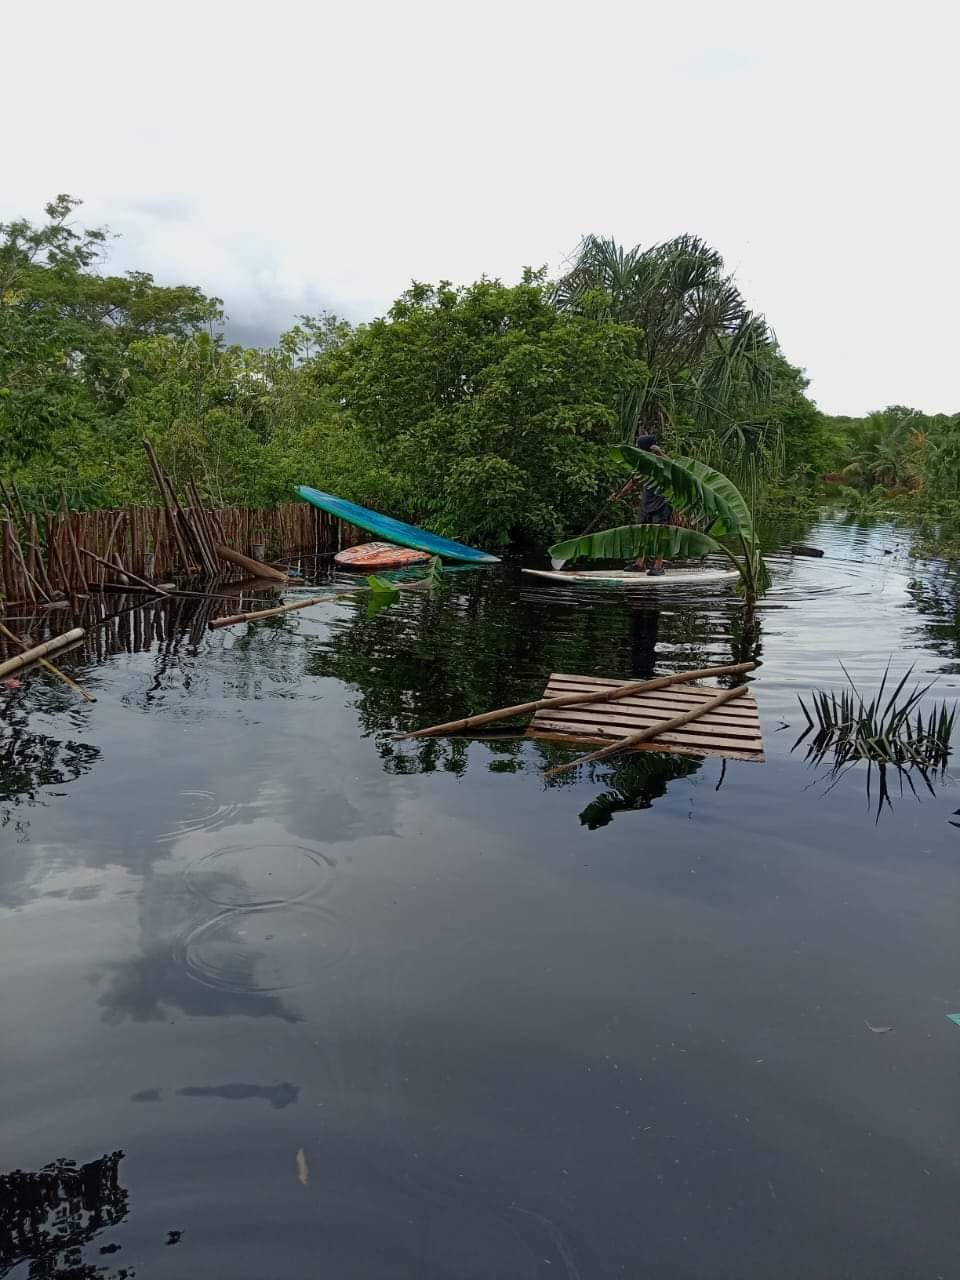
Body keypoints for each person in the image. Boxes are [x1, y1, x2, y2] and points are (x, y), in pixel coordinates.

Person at [621, 434, 672, 575]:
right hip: (646, 504)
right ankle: (639, 563)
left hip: (661, 504)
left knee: (660, 535)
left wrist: (660, 453)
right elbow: (633, 481)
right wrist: (619, 495)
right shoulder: (643, 464)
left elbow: (674, 468)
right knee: (642, 534)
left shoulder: (662, 462)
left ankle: (658, 565)